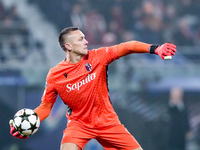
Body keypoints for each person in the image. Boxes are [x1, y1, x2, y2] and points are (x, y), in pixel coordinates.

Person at [9, 27, 176, 150]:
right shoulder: (54, 75)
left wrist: (155, 48)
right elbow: (45, 107)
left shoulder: (98, 57)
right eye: (81, 39)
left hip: (107, 122)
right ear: (68, 46)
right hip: (79, 124)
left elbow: (128, 46)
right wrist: (29, 121)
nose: (86, 41)